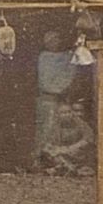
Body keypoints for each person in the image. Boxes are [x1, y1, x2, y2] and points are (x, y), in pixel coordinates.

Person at [35, 30, 76, 164]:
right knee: (45, 130)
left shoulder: (65, 56)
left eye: (57, 39)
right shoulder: (44, 57)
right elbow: (48, 81)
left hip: (57, 100)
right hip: (47, 100)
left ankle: (53, 159)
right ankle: (40, 159)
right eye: (52, 40)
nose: (56, 42)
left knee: (56, 130)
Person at [40, 101, 95, 176]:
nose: (66, 115)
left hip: (76, 153)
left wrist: (69, 148)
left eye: (69, 112)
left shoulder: (81, 124)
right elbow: (49, 142)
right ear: (58, 115)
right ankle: (66, 168)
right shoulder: (55, 126)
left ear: (72, 113)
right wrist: (55, 149)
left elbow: (87, 139)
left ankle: (65, 169)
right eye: (63, 113)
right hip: (61, 155)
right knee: (46, 152)